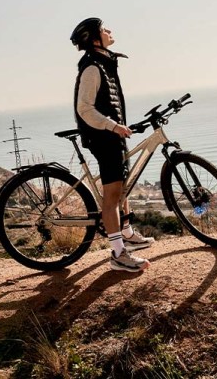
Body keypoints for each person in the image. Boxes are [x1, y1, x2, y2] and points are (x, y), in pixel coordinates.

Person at [70, 17, 155, 272]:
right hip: (102, 137)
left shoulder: (105, 63)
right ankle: (118, 254)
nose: (109, 31)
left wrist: (117, 127)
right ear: (95, 39)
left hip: (112, 136)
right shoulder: (92, 68)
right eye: (104, 29)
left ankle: (126, 232)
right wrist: (113, 126)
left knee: (122, 186)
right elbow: (84, 108)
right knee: (112, 196)